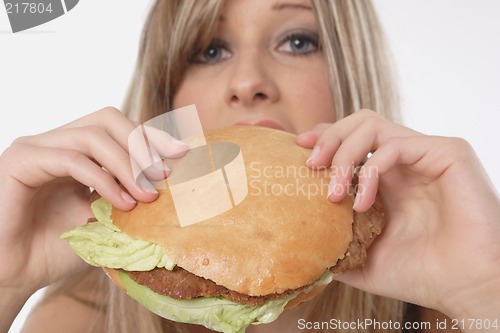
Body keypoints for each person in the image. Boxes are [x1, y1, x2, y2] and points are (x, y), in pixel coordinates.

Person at [1, 0, 499, 332]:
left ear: (350, 77)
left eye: (298, 41)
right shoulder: (78, 318)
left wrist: (485, 291)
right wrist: (5, 283)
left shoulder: (444, 312)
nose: (247, 81)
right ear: (166, 100)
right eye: (210, 50)